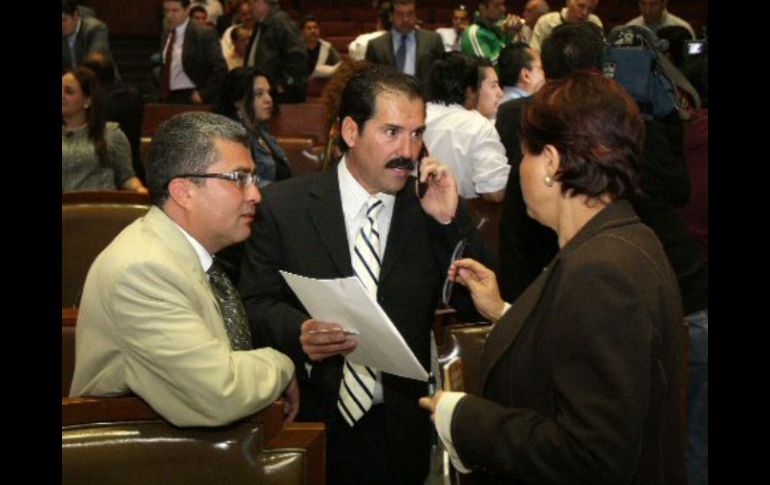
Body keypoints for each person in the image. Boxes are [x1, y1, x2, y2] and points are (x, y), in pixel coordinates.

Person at [420, 71, 687, 484]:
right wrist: (505, 312)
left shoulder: (600, 271)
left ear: (551, 163)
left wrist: (464, 418)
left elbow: (591, 456)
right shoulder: (619, 239)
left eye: (523, 154)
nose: (517, 168)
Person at [238, 65, 490, 485]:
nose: (408, 151)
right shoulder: (285, 208)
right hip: (311, 419)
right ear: (351, 132)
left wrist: (450, 222)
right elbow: (254, 305)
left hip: (401, 427)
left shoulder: (428, 209)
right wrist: (300, 331)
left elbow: (477, 305)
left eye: (416, 133)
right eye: (392, 132)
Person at [69, 111, 299, 427]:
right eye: (239, 179)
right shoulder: (143, 270)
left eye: (253, 179)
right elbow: (221, 393)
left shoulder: (188, 255)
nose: (255, 194)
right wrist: (281, 364)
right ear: (183, 192)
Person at [424, 52, 510, 202]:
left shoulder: (416, 116)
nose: (500, 93)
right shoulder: (478, 126)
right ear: (470, 91)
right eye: (493, 85)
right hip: (461, 218)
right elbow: (494, 192)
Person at [62, 67, 146, 193]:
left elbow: (126, 177)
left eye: (69, 92)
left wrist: (140, 190)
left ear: (87, 100)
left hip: (101, 208)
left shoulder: (111, 134)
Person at [365, 0, 445, 90]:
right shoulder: (376, 46)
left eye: (410, 14)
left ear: (416, 15)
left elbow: (441, 77)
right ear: (391, 16)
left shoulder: (433, 40)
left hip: (425, 100)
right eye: (400, 14)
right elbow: (370, 83)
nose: (405, 19)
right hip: (389, 101)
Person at [159, 0, 227, 104]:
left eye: (175, 11)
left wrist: (204, 94)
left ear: (187, 10)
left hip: (192, 94)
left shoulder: (204, 33)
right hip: (169, 94)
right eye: (166, 11)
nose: (170, 15)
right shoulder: (167, 32)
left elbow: (220, 68)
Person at [246, 0, 308, 104]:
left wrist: (284, 84)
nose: (250, 8)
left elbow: (298, 56)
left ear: (261, 2)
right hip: (264, 90)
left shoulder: (280, 22)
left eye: (251, 3)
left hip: (278, 94)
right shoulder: (262, 24)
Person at [62, 0, 115, 75]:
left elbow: (94, 61)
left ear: (76, 16)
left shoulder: (96, 29)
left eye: (63, 20)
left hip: (99, 81)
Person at [529, 0, 603, 52]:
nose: (584, 13)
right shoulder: (546, 22)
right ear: (569, 2)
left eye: (590, 9)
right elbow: (534, 54)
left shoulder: (594, 23)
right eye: (581, 6)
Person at [300, 14, 342, 79]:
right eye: (309, 28)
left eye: (315, 28)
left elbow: (340, 66)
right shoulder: (296, 48)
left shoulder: (328, 47)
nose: (313, 31)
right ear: (302, 32)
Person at [625, 0, 695, 38]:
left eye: (653, 4)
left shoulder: (683, 28)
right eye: (643, 4)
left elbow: (693, 62)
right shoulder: (629, 29)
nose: (647, 10)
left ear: (664, 3)